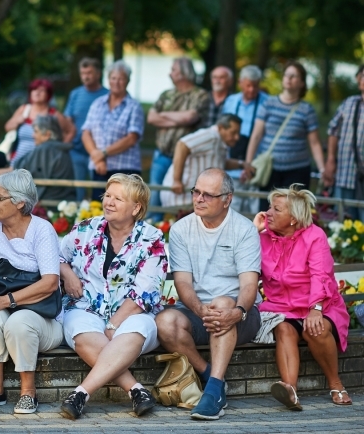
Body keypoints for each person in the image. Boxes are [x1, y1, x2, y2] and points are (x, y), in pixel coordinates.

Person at [155, 168, 262, 421]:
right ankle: (211, 378)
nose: (198, 199)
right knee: (164, 322)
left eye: (207, 195)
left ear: (227, 199)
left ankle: (213, 393)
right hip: (197, 312)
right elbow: (183, 282)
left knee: (222, 303)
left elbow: (249, 285)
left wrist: (237, 311)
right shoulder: (181, 229)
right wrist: (199, 309)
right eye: (196, 192)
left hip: (241, 315)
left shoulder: (244, 229)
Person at [58, 174, 167, 419]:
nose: (109, 202)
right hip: (86, 307)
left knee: (136, 331)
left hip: (132, 313)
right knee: (80, 331)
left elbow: (145, 293)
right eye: (107, 195)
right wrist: (68, 274)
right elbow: (57, 257)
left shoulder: (152, 239)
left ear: (136, 208)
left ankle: (81, 393)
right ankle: (136, 390)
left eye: (118, 198)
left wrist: (113, 324)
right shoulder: (86, 229)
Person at [0, 170, 63, 414]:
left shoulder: (42, 230)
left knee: (19, 322)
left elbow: (50, 282)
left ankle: (28, 392)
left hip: (43, 316)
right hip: (4, 302)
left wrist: (6, 300)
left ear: (20, 202)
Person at [253, 185, 352, 410]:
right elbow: (244, 269)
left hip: (320, 304)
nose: (268, 213)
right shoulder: (262, 238)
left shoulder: (314, 236)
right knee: (283, 329)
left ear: (293, 219)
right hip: (282, 307)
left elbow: (321, 274)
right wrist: (252, 232)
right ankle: (290, 390)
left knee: (314, 329)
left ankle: (336, 383)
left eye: (276, 209)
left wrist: (315, 308)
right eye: (270, 207)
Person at [244, 61, 325, 211]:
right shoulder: (268, 104)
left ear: (302, 82)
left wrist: (322, 170)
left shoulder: (307, 110)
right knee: (268, 211)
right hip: (269, 170)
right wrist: (248, 163)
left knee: (294, 213)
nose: (289, 78)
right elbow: (256, 135)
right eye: (287, 75)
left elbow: (314, 143)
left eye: (294, 76)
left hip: (297, 171)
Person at [147, 58, 210, 220]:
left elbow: (190, 117)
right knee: (155, 195)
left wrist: (163, 115)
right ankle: (153, 226)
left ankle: (176, 229)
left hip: (186, 160)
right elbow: (151, 118)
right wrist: (179, 119)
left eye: (173, 70)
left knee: (182, 198)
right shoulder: (166, 94)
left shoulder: (200, 95)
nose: (170, 73)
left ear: (184, 73)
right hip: (162, 154)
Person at [0, 116, 75, 202]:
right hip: (63, 203)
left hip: (48, 205)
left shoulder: (44, 149)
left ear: (47, 134)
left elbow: (14, 172)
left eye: (36, 131)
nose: (32, 136)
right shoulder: (60, 150)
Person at [81, 60, 145, 190]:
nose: (116, 82)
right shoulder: (97, 103)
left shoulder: (134, 106)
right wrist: (97, 156)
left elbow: (132, 138)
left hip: (125, 169)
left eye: (121, 79)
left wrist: (103, 153)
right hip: (99, 167)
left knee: (124, 202)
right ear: (108, 79)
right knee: (97, 203)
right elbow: (86, 133)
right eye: (113, 78)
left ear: (128, 81)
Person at [160, 114, 247, 209]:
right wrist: (177, 180)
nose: (237, 137)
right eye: (233, 133)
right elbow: (182, 145)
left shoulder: (219, 142)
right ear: (221, 128)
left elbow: (221, 163)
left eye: (238, 133)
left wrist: (242, 164)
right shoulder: (211, 136)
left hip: (193, 200)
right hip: (182, 198)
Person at [222, 65, 269, 213]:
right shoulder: (231, 101)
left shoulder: (267, 102)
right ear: (240, 83)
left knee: (254, 210)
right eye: (248, 85)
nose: (251, 90)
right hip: (232, 163)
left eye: (255, 86)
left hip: (256, 164)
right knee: (231, 208)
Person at [64, 58, 108, 200]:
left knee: (102, 192)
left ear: (98, 74)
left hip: (100, 153)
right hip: (77, 151)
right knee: (78, 191)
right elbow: (68, 120)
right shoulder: (75, 94)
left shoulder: (107, 95)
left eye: (89, 73)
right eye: (83, 73)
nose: (85, 76)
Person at [323, 64, 364, 221]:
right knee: (342, 223)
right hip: (345, 174)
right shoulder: (349, 103)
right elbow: (333, 131)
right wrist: (330, 160)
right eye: (362, 76)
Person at [4, 78, 75, 166]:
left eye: (41, 90)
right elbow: (7, 127)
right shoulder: (24, 109)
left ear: (48, 94)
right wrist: (17, 121)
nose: (37, 93)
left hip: (43, 162)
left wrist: (60, 149)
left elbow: (71, 130)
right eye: (34, 90)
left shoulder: (53, 114)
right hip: (18, 160)